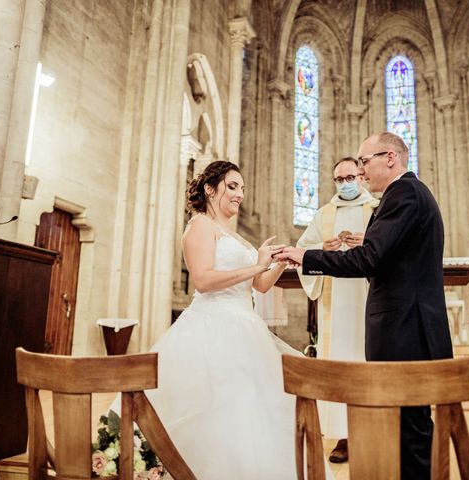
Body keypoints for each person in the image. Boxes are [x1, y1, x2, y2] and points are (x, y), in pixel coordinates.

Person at [111, 161, 330, 479]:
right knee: (210, 409)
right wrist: (257, 266)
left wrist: (280, 262)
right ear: (209, 189)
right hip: (211, 327)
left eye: (242, 188)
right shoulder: (199, 225)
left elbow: (260, 286)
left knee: (249, 411)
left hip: (246, 326)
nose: (240, 194)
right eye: (232, 186)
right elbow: (203, 280)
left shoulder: (235, 236)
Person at [277, 132, 453, 479]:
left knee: (410, 429)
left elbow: (368, 260)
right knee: (408, 426)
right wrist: (369, 242)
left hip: (405, 332)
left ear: (390, 157)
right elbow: (387, 254)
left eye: (364, 161)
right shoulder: (410, 193)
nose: (361, 170)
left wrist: (305, 256)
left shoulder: (403, 192)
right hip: (407, 329)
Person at [296, 157, 377, 463]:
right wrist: (323, 250)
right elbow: (302, 252)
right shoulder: (324, 214)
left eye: (350, 177)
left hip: (371, 300)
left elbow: (392, 248)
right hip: (336, 302)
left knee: (369, 361)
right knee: (341, 362)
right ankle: (343, 434)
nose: (345, 183)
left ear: (361, 176)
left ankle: (372, 428)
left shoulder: (378, 208)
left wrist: (368, 243)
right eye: (339, 179)